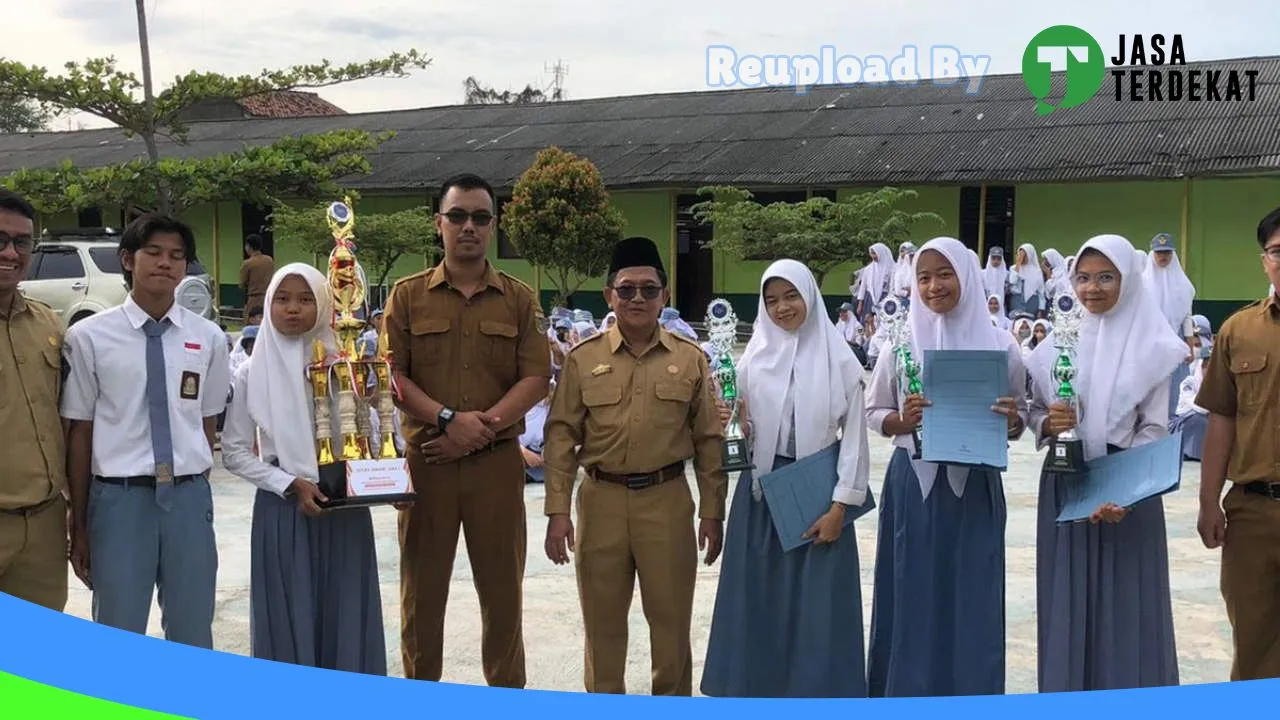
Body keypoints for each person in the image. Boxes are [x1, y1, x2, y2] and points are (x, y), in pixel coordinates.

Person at [383, 173, 551, 687]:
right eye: (457, 216)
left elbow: (537, 377)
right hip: (427, 464)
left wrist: (482, 428)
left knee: (503, 597)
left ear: (494, 226)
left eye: (480, 217)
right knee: (421, 596)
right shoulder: (407, 297)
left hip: (495, 467)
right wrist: (448, 420)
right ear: (439, 225)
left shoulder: (520, 300)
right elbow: (391, 374)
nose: (468, 226)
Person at [542, 235, 727, 696]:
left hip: (666, 503)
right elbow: (561, 434)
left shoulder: (690, 360)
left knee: (670, 629)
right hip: (601, 501)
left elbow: (708, 439)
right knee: (602, 631)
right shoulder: (583, 360)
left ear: (665, 296)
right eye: (626, 289)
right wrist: (557, 510)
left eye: (649, 289)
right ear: (609, 295)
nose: (637, 298)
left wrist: (712, 510)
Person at [701, 259, 872, 698]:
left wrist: (839, 508)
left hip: (819, 495)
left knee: (817, 611)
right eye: (772, 300)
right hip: (762, 495)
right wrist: (734, 424)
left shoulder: (842, 362)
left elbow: (853, 441)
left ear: (810, 296)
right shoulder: (752, 362)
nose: (782, 308)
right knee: (760, 602)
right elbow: (746, 432)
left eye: (791, 296)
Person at [865, 237, 1027, 697]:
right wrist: (902, 419)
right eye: (923, 277)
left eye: (944, 274)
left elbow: (1017, 419)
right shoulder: (900, 344)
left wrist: (1013, 421)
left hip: (974, 488)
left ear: (968, 276)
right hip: (913, 487)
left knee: (971, 593)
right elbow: (874, 411)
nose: (933, 286)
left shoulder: (1000, 345)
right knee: (910, 591)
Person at [61, 214, 230, 647]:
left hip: (188, 499)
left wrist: (193, 485)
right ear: (127, 259)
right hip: (119, 501)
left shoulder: (208, 338)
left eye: (177, 256)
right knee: (119, 630)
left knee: (193, 630)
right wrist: (78, 523)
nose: (165, 263)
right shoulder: (89, 337)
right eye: (153, 252)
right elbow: (79, 432)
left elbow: (206, 420)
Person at [1029, 233, 1183, 692]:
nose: (1091, 289)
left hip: (1127, 493)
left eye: (1105, 278)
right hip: (1065, 481)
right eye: (1083, 278)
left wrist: (1125, 495)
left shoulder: (1155, 346)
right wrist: (1048, 424)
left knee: (1126, 605)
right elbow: (1035, 412)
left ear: (1129, 281)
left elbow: (1153, 429)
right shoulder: (1058, 342)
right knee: (1067, 602)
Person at [221, 263, 386, 674]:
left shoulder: (341, 366)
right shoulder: (249, 373)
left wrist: (367, 401)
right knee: (288, 612)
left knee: (344, 609)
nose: (293, 309)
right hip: (285, 509)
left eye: (306, 299)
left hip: (342, 506)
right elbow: (235, 451)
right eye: (282, 299)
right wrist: (288, 482)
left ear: (326, 303)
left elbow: (376, 435)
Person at [1195, 206, 1280, 681]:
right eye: (1277, 251)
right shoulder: (1237, 330)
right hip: (1253, 515)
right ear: (1264, 260)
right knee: (1254, 650)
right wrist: (1209, 502)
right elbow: (1221, 420)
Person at [0, 189, 68, 612]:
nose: (10, 252)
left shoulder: (49, 323)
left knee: (33, 668)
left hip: (43, 528)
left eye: (21, 242)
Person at [1143, 233, 1197, 419]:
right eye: (1159, 253)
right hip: (1151, 342)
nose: (1163, 257)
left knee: (1176, 389)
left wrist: (1190, 344)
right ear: (1152, 254)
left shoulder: (1182, 284)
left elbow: (1186, 316)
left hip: (1176, 339)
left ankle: (1175, 429)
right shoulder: (1143, 285)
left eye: (1166, 252)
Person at [854, 243, 895, 318]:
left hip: (885, 298)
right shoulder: (868, 269)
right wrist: (860, 304)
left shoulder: (891, 268)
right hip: (870, 299)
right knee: (869, 322)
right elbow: (863, 287)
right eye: (871, 253)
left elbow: (892, 286)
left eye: (875, 253)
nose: (873, 256)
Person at [239, 234, 275, 319]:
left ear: (248, 246)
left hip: (254, 299)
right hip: (268, 298)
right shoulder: (269, 260)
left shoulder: (247, 263)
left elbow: (242, 284)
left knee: (251, 325)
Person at [1009, 243, 1046, 317]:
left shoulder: (1036, 271)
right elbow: (1012, 281)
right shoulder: (1013, 268)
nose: (1022, 257)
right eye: (1019, 254)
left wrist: (1041, 309)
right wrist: (1018, 264)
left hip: (1032, 301)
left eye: (1024, 255)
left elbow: (1041, 292)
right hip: (1017, 300)